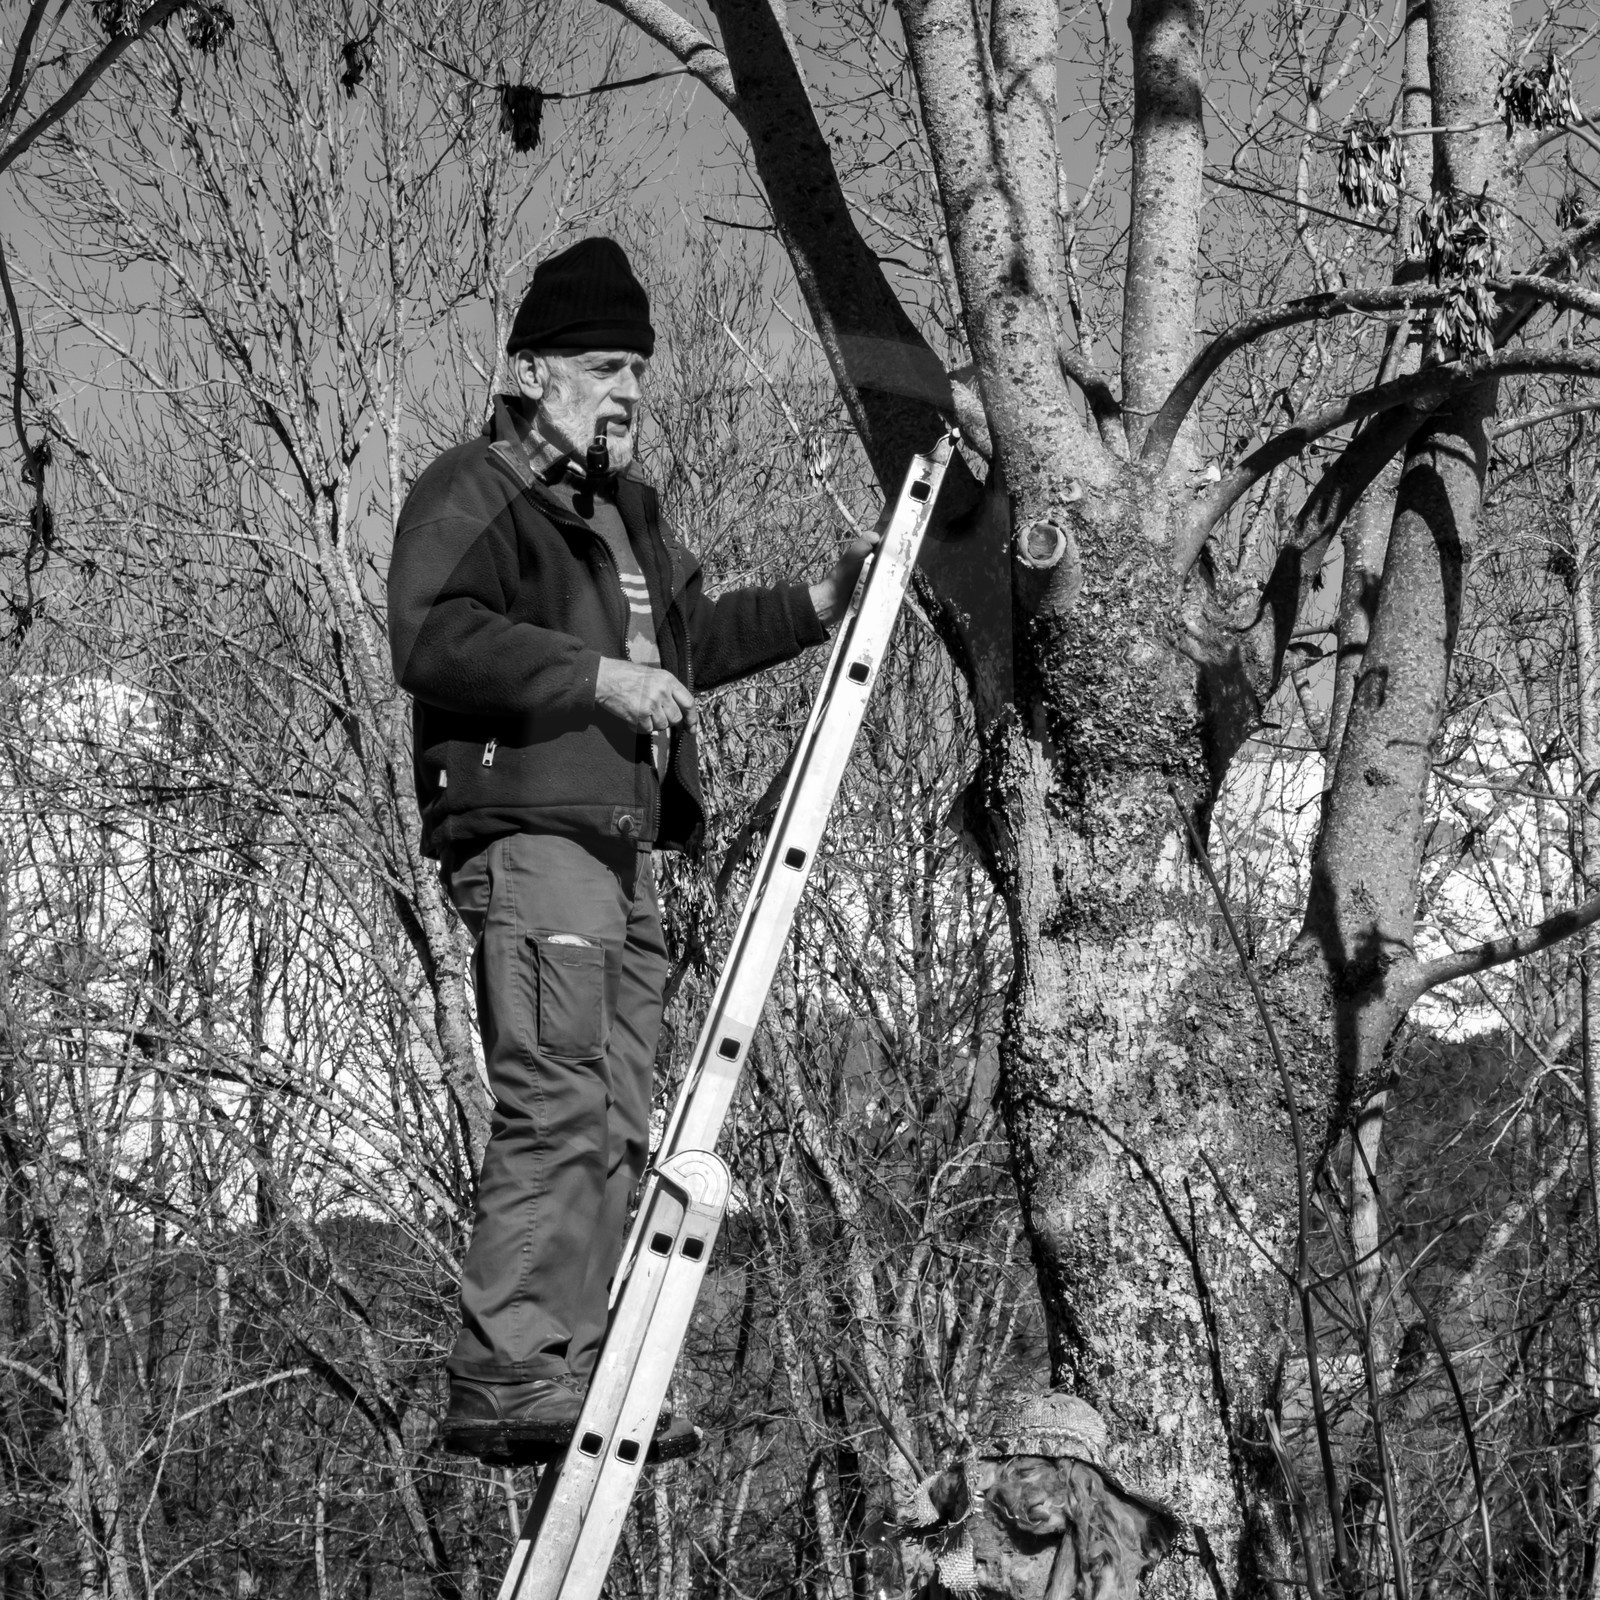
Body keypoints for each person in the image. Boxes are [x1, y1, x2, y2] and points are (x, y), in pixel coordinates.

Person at [386, 237, 876, 1462]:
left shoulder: (629, 514)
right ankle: (506, 1368)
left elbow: (693, 641)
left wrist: (822, 602)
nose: (629, 392)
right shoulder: (473, 487)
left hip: (622, 849)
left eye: (639, 373)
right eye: (606, 366)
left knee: (616, 1114)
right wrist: (595, 676)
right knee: (556, 1100)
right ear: (536, 367)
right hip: (532, 834)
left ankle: (576, 1369)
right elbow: (435, 636)